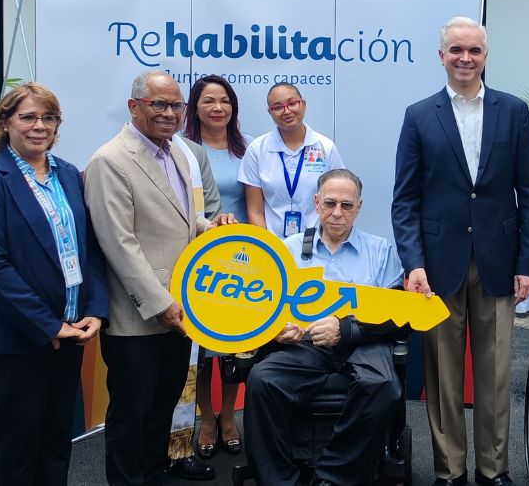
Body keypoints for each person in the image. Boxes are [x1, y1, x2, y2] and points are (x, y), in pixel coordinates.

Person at [391, 16, 529, 486]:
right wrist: (414, 264)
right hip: (437, 266)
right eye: (456, 50)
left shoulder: (513, 111)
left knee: (495, 374)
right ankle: (450, 470)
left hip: (499, 260)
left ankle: (493, 470)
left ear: (486, 56)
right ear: (441, 56)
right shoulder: (419, 115)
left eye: (474, 50)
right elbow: (405, 200)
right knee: (443, 374)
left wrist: (528, 263)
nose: (465, 58)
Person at [84, 70, 234, 486]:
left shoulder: (177, 154)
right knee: (132, 414)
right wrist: (162, 304)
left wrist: (210, 227)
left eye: (176, 105)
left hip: (181, 310)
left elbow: (183, 219)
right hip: (139, 317)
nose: (170, 113)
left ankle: (153, 476)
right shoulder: (110, 160)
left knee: (161, 409)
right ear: (134, 107)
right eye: (159, 104)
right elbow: (118, 243)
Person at [0, 82, 108, 486]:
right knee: (21, 445)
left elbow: (90, 249)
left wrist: (95, 309)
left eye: (48, 118)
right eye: (28, 117)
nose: (39, 126)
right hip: (20, 337)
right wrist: (48, 325)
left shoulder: (68, 174)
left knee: (58, 439)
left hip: (72, 330)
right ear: (4, 123)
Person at [244, 169, 406, 486]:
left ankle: (332, 477)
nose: (337, 213)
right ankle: (280, 480)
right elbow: (263, 309)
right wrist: (277, 331)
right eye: (330, 203)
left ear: (359, 208)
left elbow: (395, 316)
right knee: (262, 380)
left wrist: (345, 329)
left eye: (347, 205)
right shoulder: (288, 249)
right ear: (317, 203)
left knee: (383, 384)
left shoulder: (380, 250)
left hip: (361, 342)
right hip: (306, 345)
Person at [183, 74, 252, 459]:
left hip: (243, 260)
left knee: (234, 345)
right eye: (209, 100)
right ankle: (205, 418)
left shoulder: (248, 148)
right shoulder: (182, 150)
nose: (218, 107)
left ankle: (228, 415)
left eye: (224, 100)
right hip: (201, 259)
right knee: (201, 345)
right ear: (195, 107)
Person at [240, 82, 344, 238]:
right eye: (278, 107)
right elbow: (255, 211)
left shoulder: (326, 148)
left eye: (292, 103)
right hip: (274, 243)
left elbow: (338, 200)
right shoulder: (257, 149)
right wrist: (268, 246)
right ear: (270, 112)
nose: (287, 111)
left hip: (317, 242)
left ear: (303, 105)